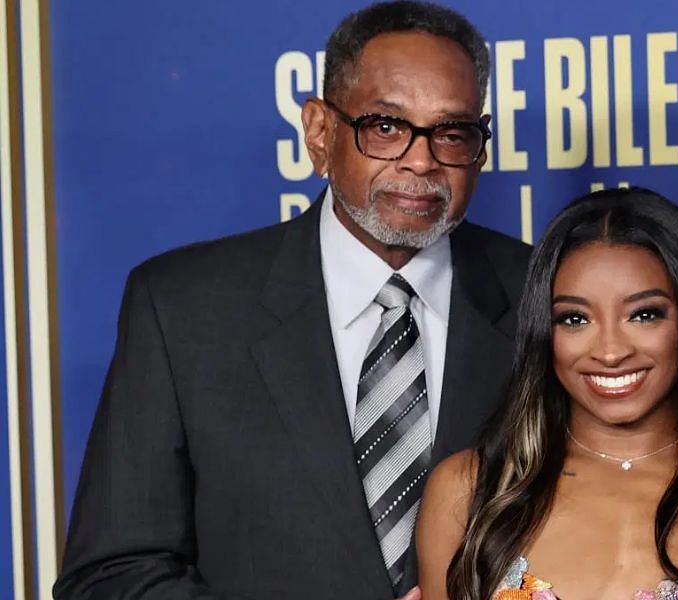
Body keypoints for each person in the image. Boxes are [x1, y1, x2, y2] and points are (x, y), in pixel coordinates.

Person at [54, 2, 530, 598]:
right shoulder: (181, 309)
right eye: (385, 126)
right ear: (320, 133)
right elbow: (111, 575)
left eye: (452, 132)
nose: (420, 159)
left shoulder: (545, 297)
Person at [415, 187, 678, 600]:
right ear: (543, 333)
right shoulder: (469, 492)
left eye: (644, 314)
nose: (611, 351)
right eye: (575, 319)